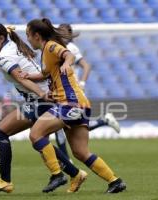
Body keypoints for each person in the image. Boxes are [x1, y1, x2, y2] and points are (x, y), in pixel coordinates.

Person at [24, 18, 126, 193]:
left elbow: (68, 54)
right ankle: (115, 181)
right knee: (80, 152)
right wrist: (27, 75)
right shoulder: (45, 53)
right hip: (80, 103)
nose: (27, 39)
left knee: (36, 134)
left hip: (70, 103)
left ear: (36, 35)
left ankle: (57, 174)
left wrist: (66, 62)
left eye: (28, 35)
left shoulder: (50, 46)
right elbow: (44, 74)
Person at [0, 23, 87, 194]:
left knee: (1, 132)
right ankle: (75, 174)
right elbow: (21, 65)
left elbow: (22, 78)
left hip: (40, 98)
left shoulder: (3, 57)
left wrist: (41, 94)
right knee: (40, 140)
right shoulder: (13, 45)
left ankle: (6, 181)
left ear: (1, 38)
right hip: (45, 96)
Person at [54, 24, 121, 161]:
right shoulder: (58, 47)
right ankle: (104, 120)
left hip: (70, 92)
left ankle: (66, 160)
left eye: (63, 31)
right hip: (63, 91)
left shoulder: (70, 48)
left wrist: (82, 83)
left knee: (64, 124)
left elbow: (86, 66)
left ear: (69, 33)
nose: (61, 33)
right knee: (69, 125)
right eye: (59, 31)